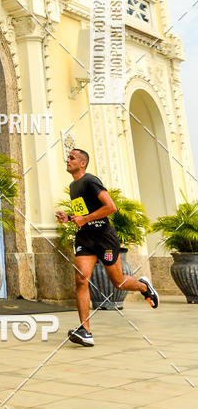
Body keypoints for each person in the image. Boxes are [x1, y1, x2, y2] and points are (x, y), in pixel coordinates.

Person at [56, 148, 158, 346]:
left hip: (104, 238)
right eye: (68, 157)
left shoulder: (90, 181)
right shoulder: (73, 186)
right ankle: (85, 331)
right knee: (80, 278)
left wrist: (84, 218)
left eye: (72, 157)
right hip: (86, 239)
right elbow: (85, 213)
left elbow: (110, 207)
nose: (67, 160)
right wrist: (69, 218)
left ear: (82, 163)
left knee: (118, 282)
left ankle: (144, 287)